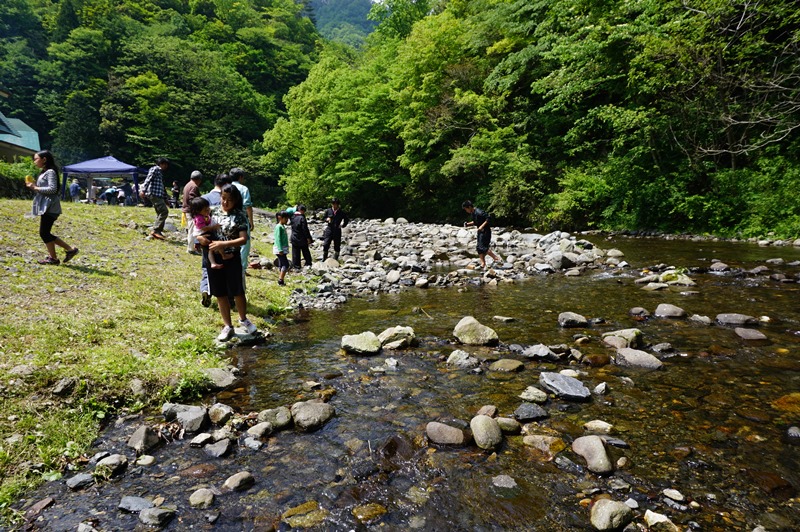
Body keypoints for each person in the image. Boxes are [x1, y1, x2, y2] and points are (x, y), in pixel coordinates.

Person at [207, 184, 258, 341]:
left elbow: (243, 239)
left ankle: (243, 319)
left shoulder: (240, 215)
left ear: (236, 200)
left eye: (229, 199)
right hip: (215, 258)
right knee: (220, 292)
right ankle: (227, 325)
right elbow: (202, 228)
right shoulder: (212, 211)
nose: (225, 202)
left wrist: (224, 244)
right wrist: (200, 239)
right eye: (223, 198)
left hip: (233, 258)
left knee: (237, 290)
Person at [26, 150, 79, 265]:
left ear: (44, 159)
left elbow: (53, 189)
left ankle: (55, 258)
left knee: (44, 233)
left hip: (51, 206)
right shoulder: (45, 172)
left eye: (36, 159)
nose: (34, 161)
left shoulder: (50, 172)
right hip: (46, 206)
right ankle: (69, 250)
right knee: (45, 233)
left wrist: (35, 188)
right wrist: (35, 185)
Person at [199, 173, 231, 307]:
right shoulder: (228, 199)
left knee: (207, 265)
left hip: (206, 238)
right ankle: (227, 297)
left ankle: (206, 289)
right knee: (225, 267)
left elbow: (195, 221)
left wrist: (198, 239)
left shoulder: (204, 198)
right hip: (224, 240)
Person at [462, 200, 502, 269]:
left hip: (486, 231)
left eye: (466, 209)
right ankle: (483, 263)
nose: (466, 211)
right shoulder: (473, 213)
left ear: (469, 207)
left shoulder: (479, 212)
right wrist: (468, 224)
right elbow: (475, 222)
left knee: (483, 247)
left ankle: (496, 258)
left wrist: (481, 226)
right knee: (478, 248)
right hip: (480, 232)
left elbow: (489, 218)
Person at [139, 157, 170, 240]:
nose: (166, 167)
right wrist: (143, 190)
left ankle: (157, 232)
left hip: (158, 195)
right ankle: (156, 230)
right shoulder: (155, 169)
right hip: (154, 194)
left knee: (160, 213)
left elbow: (161, 187)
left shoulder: (160, 172)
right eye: (165, 164)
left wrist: (165, 199)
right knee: (164, 211)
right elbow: (148, 179)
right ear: (162, 164)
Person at [229, 168, 253, 273]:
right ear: (240, 177)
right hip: (241, 218)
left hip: (227, 217)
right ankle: (242, 267)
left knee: (228, 240)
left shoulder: (226, 187)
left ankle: (229, 264)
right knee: (244, 243)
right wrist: (251, 222)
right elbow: (248, 206)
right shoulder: (244, 189)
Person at [190, 197, 223, 270]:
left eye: (208, 208)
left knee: (211, 249)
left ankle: (214, 262)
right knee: (212, 247)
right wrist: (214, 227)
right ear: (198, 211)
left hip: (205, 233)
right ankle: (215, 261)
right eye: (206, 210)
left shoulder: (204, 215)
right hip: (204, 234)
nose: (208, 210)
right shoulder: (199, 218)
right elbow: (203, 228)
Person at [182, 171, 203, 254]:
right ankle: (190, 249)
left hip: (186, 209)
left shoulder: (188, 184)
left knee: (190, 229)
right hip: (191, 211)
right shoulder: (194, 186)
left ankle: (191, 247)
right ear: (199, 179)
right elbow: (192, 199)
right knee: (192, 230)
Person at [290, 204, 313, 269]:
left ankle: (296, 266)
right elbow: (305, 229)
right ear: (301, 210)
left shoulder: (292, 216)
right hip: (302, 238)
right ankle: (308, 263)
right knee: (305, 250)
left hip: (294, 237)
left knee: (295, 252)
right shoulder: (302, 217)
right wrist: (308, 238)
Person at [274, 211, 290, 286]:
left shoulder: (282, 226)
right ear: (280, 218)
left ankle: (281, 279)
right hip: (280, 249)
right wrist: (280, 249)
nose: (287, 220)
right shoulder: (278, 227)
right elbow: (278, 239)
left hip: (283, 249)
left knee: (281, 264)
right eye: (285, 218)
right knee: (286, 265)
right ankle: (281, 279)